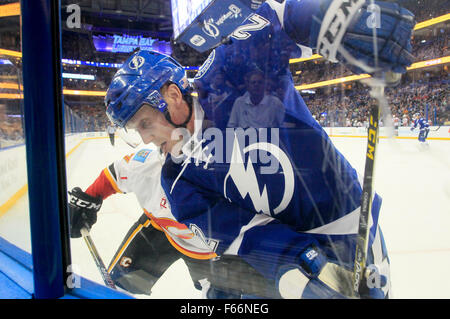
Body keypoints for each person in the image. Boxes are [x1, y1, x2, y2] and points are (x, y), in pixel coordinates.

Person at [104, 0, 415, 299]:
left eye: (144, 123)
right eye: (136, 130)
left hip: (349, 224)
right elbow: (246, 234)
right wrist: (298, 272)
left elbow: (280, 19)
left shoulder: (226, 76)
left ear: (172, 95)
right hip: (293, 254)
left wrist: (342, 22)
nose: (145, 140)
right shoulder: (178, 183)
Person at [68, 147, 277, 298]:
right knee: (118, 287)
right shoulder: (147, 165)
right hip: (159, 231)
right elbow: (114, 173)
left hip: (210, 249)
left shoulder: (232, 177)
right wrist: (87, 200)